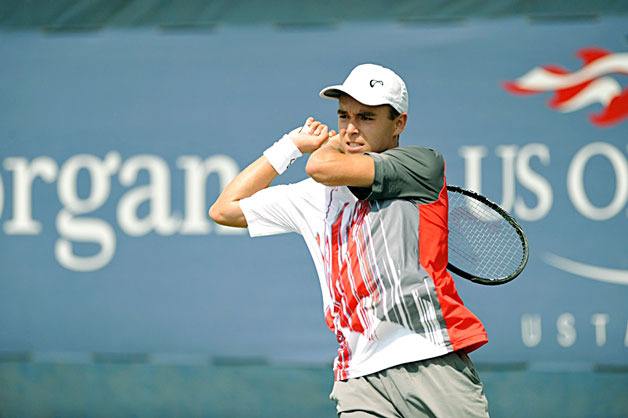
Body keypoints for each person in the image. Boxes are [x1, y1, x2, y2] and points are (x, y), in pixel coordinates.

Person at [210, 63, 490, 417]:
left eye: (367, 118)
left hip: (430, 358)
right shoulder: (313, 197)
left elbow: (321, 168)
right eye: (344, 116)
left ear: (399, 123)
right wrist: (290, 146)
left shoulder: (421, 164)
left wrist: (326, 147)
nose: (351, 129)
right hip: (359, 377)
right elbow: (224, 209)